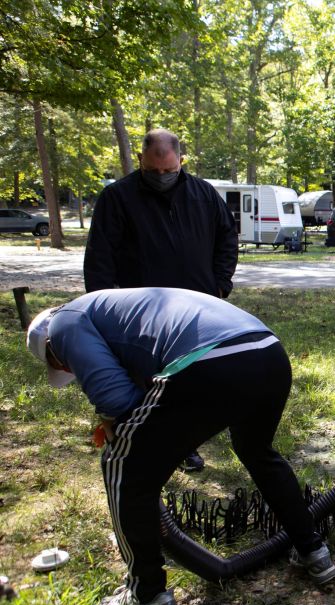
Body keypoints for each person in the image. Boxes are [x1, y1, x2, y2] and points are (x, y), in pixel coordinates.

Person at [26, 288, 335, 605]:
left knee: (122, 465)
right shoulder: (110, 308)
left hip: (211, 360)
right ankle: (314, 551)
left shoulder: (61, 324)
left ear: (50, 352)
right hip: (267, 353)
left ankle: (146, 596)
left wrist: (117, 424)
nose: (68, 371)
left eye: (61, 366)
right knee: (257, 451)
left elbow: (118, 402)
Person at [84, 128, 238, 472]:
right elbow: (100, 256)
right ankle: (140, 443)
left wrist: (221, 284)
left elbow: (227, 238)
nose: (162, 177)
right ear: (140, 160)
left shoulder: (203, 194)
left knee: (190, 378)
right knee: (147, 381)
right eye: (154, 172)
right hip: (140, 312)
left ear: (180, 161)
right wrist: (99, 306)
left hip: (197, 306)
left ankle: (185, 445)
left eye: (170, 171)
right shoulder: (117, 198)